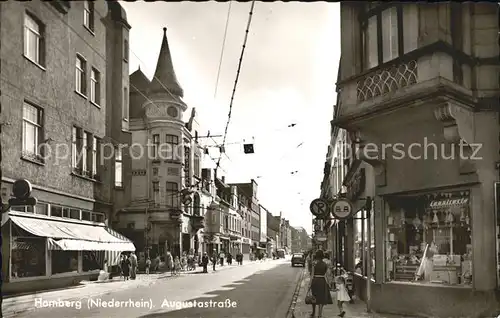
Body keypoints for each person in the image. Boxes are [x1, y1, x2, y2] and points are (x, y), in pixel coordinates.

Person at [310, 250, 333, 318]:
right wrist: (329, 283)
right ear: (322, 256)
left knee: (314, 296)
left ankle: (313, 312)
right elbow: (327, 274)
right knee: (321, 298)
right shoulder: (325, 264)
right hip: (322, 281)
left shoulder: (314, 263)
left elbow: (312, 274)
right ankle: (320, 314)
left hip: (315, 281)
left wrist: (310, 283)